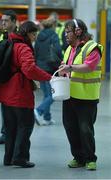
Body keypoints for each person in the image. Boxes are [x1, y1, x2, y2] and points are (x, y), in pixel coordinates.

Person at [0, 21, 51, 168]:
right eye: (34, 34)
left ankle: (9, 158)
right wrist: (48, 77)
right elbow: (29, 69)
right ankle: (20, 158)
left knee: (10, 127)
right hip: (19, 93)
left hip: (5, 92)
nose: (35, 37)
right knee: (25, 125)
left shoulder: (9, 42)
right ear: (27, 33)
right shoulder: (23, 48)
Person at [59, 19, 103, 170]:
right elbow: (67, 68)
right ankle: (78, 157)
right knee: (70, 127)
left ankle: (90, 159)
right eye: (65, 32)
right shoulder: (68, 49)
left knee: (85, 130)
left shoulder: (93, 48)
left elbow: (89, 67)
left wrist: (70, 67)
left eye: (68, 32)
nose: (66, 35)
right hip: (69, 95)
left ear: (78, 32)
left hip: (86, 97)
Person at [0, 10, 18, 144]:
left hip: (14, 78)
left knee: (14, 109)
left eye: (6, 20)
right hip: (3, 76)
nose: (3, 23)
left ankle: (12, 136)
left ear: (14, 21)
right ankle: (5, 134)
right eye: (2, 20)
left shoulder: (19, 36)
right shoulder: (3, 36)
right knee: (4, 106)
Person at [34, 18, 63, 126]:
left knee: (47, 94)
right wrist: (62, 61)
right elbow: (58, 50)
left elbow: (35, 52)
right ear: (53, 26)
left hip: (40, 68)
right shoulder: (53, 35)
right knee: (53, 95)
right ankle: (38, 111)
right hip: (50, 67)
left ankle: (47, 118)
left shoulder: (39, 36)